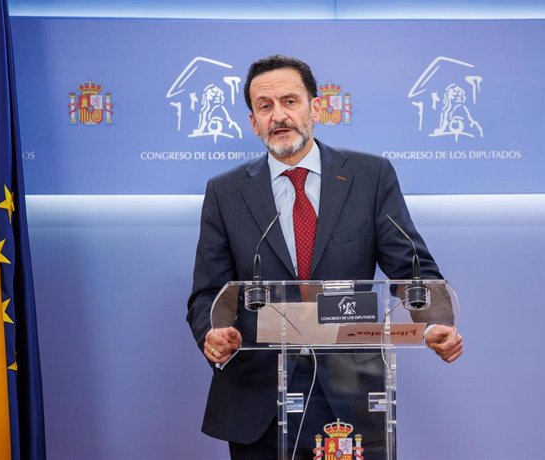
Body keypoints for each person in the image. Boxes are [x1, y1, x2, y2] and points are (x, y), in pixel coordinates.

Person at [187, 55, 463, 459]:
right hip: (258, 397)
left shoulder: (369, 176)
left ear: (315, 107)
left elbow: (411, 269)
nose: (278, 115)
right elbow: (208, 292)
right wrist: (212, 334)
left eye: (290, 101)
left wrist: (436, 322)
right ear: (253, 122)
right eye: (265, 106)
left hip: (350, 392)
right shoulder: (225, 192)